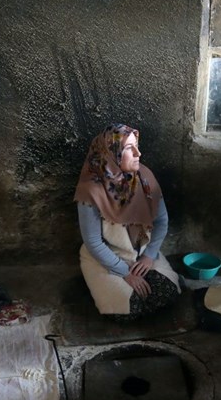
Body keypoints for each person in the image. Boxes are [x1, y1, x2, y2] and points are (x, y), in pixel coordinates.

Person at [75, 124, 180, 318]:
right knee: (127, 309)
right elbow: (93, 242)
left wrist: (149, 256)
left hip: (141, 253)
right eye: (129, 149)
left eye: (137, 146)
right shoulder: (91, 190)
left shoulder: (146, 179)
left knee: (167, 294)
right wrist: (125, 272)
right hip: (107, 258)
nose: (138, 153)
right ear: (111, 154)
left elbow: (162, 221)